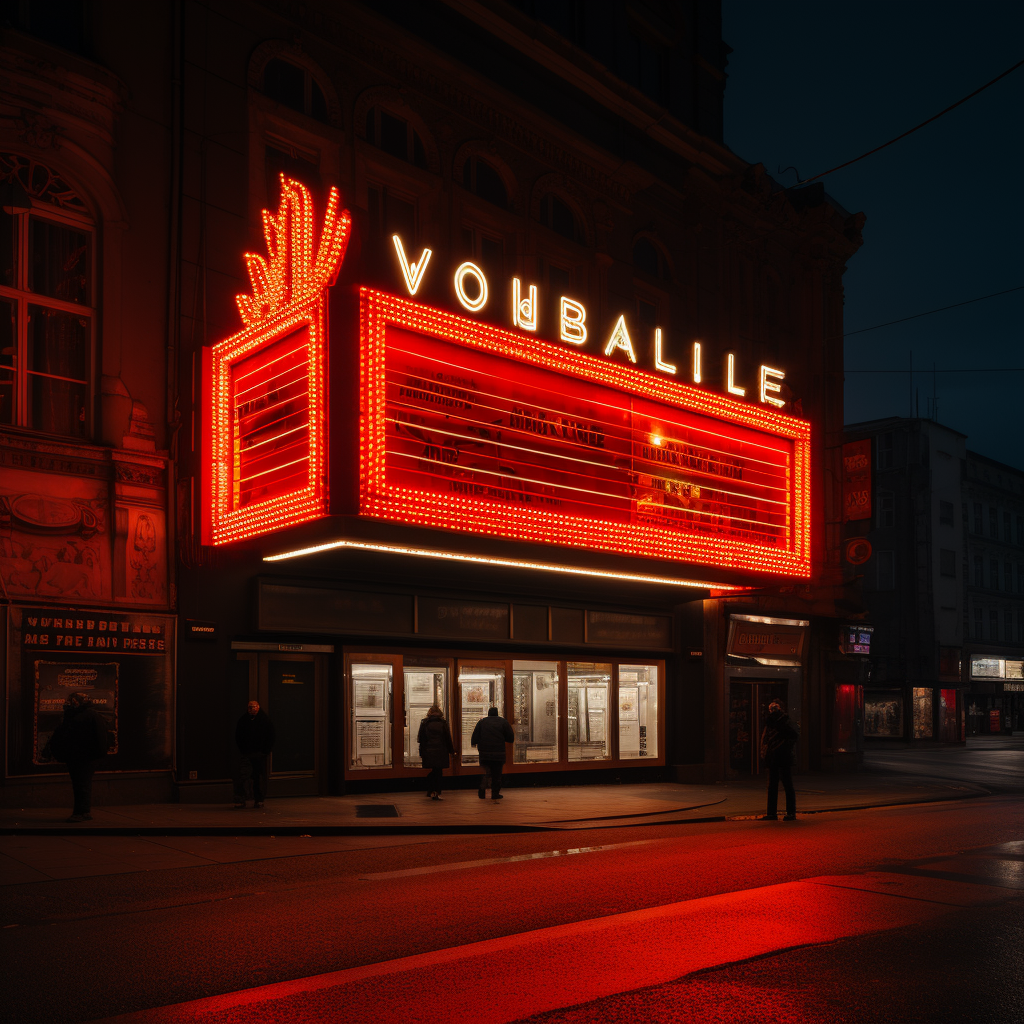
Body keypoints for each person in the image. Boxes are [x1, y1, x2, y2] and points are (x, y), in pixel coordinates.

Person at [45, 692, 110, 823]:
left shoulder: (81, 716)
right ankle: (82, 811)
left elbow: (66, 733)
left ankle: (81, 811)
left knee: (81, 784)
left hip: (81, 755)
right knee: (81, 783)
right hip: (82, 755)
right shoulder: (89, 715)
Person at [760, 699, 799, 821]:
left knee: (783, 785)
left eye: (774, 708)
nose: (773, 711)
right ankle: (775, 813)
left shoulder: (783, 722)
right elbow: (766, 738)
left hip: (780, 757)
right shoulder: (774, 722)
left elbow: (792, 736)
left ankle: (786, 813)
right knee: (776, 785)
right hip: (777, 757)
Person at [234, 700, 275, 809]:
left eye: (254, 707)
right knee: (247, 776)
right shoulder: (262, 720)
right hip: (252, 753)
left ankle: (255, 799)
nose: (252, 709)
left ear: (258, 707)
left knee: (254, 777)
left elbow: (271, 736)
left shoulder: (251, 720)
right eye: (250, 707)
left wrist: (264, 751)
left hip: (256, 753)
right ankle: (252, 799)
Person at [471, 706, 514, 801]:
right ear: (497, 713)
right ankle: (495, 793)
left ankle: (482, 791)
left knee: (486, 773)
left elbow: (475, 737)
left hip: (484, 753)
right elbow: (510, 737)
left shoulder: (482, 722)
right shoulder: (503, 722)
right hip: (499, 753)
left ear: (488, 713)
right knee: (497, 774)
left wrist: (475, 744)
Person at [417, 705, 454, 800]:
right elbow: (447, 738)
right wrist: (451, 750)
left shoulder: (425, 723)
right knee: (438, 772)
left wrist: (422, 751)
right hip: (441, 750)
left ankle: (431, 789)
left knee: (434, 770)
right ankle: (437, 791)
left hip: (428, 750)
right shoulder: (443, 723)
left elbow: (421, 739)